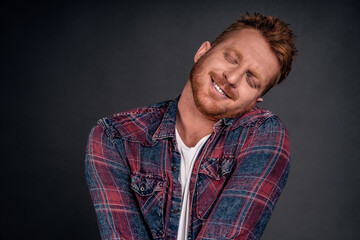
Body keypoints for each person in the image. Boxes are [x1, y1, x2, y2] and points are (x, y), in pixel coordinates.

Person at [85, 12, 297, 240]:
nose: (233, 77)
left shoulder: (262, 134)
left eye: (251, 79)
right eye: (231, 59)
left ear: (255, 102)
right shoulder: (115, 136)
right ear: (202, 52)